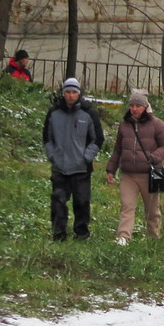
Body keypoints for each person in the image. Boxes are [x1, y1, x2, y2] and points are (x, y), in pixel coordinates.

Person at [105, 89, 164, 245]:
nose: (134, 109)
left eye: (138, 105)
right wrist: (111, 169)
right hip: (128, 174)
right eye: (132, 105)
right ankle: (123, 237)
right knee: (127, 206)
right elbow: (118, 149)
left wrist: (154, 157)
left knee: (152, 211)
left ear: (145, 107)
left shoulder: (157, 124)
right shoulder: (124, 125)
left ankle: (153, 238)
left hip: (149, 175)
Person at [42, 77, 104, 241]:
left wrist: (87, 156)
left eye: (74, 92)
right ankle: (58, 233)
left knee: (82, 202)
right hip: (60, 167)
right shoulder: (53, 113)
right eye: (67, 92)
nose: (70, 95)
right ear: (63, 94)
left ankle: (81, 233)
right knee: (58, 201)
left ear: (79, 93)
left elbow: (97, 138)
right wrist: (52, 155)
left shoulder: (88, 113)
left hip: (81, 168)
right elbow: (47, 138)